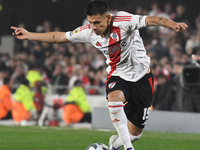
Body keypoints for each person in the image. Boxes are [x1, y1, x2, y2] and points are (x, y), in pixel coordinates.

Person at [11, 0, 188, 149]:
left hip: (142, 77)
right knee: (114, 99)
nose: (93, 27)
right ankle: (128, 148)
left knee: (135, 134)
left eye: (97, 23)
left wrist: (172, 24)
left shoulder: (124, 21)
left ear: (108, 17)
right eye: (91, 22)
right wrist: (30, 36)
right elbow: (59, 37)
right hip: (117, 75)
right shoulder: (87, 31)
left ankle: (117, 144)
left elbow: (151, 20)